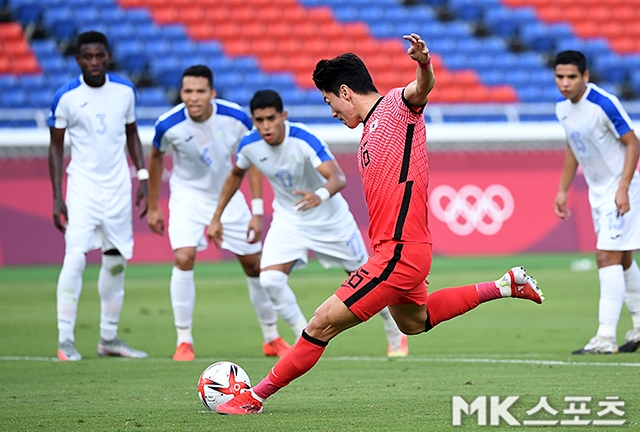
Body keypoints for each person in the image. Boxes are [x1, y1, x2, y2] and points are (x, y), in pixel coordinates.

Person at [212, 33, 544, 415]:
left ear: (345, 91)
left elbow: (421, 90)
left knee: (321, 323)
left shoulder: (395, 108)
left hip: (400, 253)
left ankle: (253, 398)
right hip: (404, 250)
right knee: (414, 322)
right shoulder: (368, 130)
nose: (332, 111)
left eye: (330, 101)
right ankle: (505, 285)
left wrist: (423, 64)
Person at [206, 89, 409, 358]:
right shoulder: (249, 144)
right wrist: (217, 216)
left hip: (331, 222)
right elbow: (236, 175)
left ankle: (394, 332)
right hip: (290, 220)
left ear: (283, 116)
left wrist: (319, 195)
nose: (266, 126)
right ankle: (304, 336)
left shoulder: (303, 139)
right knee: (270, 279)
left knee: (367, 282)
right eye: (259, 120)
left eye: (270, 118)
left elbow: (337, 177)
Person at [148, 65, 291, 361]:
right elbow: (156, 158)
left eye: (200, 91)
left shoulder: (236, 117)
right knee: (183, 257)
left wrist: (256, 211)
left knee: (254, 266)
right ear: (181, 93)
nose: (193, 97)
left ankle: (271, 336)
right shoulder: (167, 124)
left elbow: (249, 161)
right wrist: (152, 206)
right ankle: (184, 340)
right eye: (188, 91)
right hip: (187, 196)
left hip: (228, 197)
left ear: (212, 93)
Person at [48, 31, 149, 361]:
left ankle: (108, 338)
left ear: (108, 56)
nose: (94, 62)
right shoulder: (66, 97)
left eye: (99, 55)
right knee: (75, 257)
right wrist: (56, 196)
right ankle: (65, 339)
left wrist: (143, 176)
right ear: (77, 59)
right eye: (87, 56)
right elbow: (55, 147)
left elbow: (132, 134)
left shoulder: (124, 91)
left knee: (116, 261)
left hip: (118, 187)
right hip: (82, 188)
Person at [553, 50, 640, 354]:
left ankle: (605, 337)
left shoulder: (603, 103)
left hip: (621, 188)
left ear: (585, 76)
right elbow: (572, 147)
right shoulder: (562, 110)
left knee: (606, 257)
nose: (565, 83)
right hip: (598, 192)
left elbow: (633, 143)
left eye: (572, 77)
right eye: (560, 77)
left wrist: (624, 187)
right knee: (623, 258)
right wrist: (563, 190)